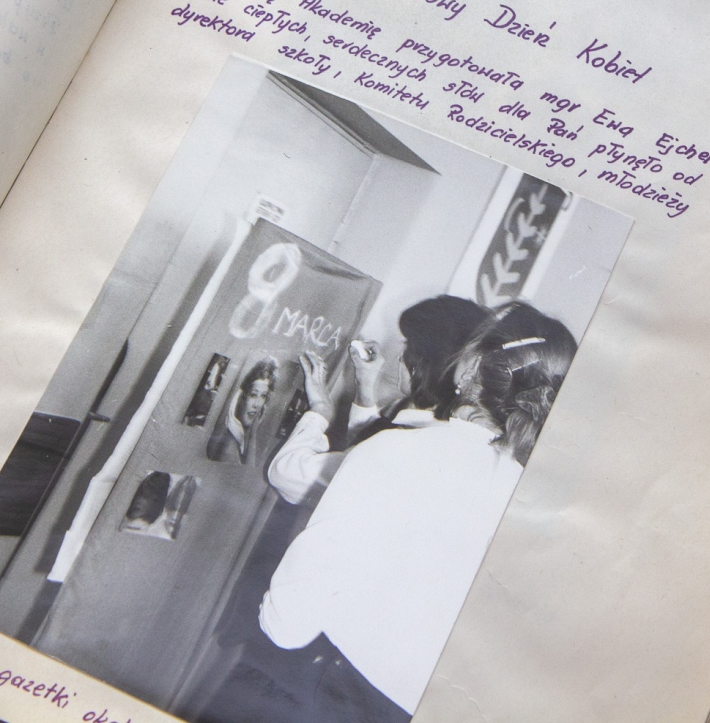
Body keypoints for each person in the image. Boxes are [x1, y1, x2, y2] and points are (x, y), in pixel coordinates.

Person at [238, 302, 578, 723]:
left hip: (340, 695)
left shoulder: (400, 451)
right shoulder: (535, 503)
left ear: (471, 367)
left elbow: (286, 625)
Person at [267, 295, 490, 504]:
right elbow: (365, 449)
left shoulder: (399, 447)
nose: (399, 357)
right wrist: (365, 386)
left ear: (424, 364)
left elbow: (286, 474)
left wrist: (320, 410)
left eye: (407, 346)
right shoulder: (445, 435)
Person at [206, 358, 276, 463]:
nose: (256, 405)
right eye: (253, 395)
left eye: (263, 396)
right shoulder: (229, 447)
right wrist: (253, 433)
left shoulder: (240, 439)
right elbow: (247, 471)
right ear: (242, 398)